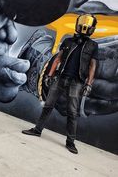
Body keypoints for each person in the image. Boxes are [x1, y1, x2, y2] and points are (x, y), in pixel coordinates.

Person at [22, 14, 99, 154]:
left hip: (77, 82)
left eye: (87, 26)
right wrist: (50, 74)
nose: (84, 27)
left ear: (92, 28)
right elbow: (58, 59)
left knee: (72, 113)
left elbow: (92, 66)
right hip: (60, 78)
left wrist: (89, 83)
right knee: (48, 105)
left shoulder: (93, 45)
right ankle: (37, 130)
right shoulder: (69, 41)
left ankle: (70, 142)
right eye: (82, 24)